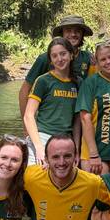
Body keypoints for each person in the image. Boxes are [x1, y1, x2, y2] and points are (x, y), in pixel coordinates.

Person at [18, 15, 93, 124]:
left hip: (78, 122)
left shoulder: (88, 58)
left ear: (82, 35)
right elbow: (24, 91)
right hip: (50, 123)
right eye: (68, 30)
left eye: (77, 31)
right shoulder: (46, 59)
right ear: (62, 33)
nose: (73, 34)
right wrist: (27, 126)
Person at [23, 37, 80, 166]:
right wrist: (38, 147)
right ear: (51, 60)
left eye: (63, 54)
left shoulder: (78, 82)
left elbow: (77, 120)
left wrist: (76, 148)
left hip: (66, 140)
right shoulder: (43, 81)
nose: (59, 59)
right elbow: (28, 115)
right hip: (43, 137)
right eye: (54, 56)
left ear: (71, 55)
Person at [76, 41, 110, 175]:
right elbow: (84, 119)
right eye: (103, 59)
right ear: (97, 63)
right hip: (94, 150)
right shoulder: (90, 83)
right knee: (97, 192)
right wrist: (93, 154)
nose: (108, 62)